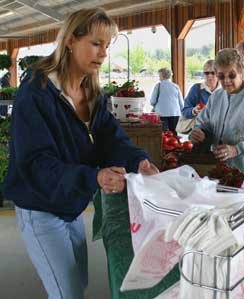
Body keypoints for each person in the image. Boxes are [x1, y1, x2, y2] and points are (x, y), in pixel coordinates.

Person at [3, 8, 158, 299]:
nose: (103, 53)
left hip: (71, 204)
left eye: (107, 46)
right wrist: (94, 176)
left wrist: (139, 161)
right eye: (96, 43)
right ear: (71, 40)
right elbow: (36, 163)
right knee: (67, 293)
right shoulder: (36, 93)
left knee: (77, 284)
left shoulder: (93, 94)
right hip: (40, 207)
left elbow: (112, 140)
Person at [190, 48, 244, 180]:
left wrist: (236, 149)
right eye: (221, 76)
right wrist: (199, 131)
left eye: (232, 75)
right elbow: (203, 122)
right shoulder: (216, 96)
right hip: (223, 168)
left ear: (241, 71)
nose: (226, 80)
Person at [150, 67, 184, 135]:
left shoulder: (158, 85)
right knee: (174, 132)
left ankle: (164, 145)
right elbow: (181, 103)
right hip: (175, 113)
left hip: (161, 113)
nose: (159, 78)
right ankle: (176, 144)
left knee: (164, 133)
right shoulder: (175, 86)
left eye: (159, 75)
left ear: (162, 75)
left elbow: (152, 101)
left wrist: (154, 106)